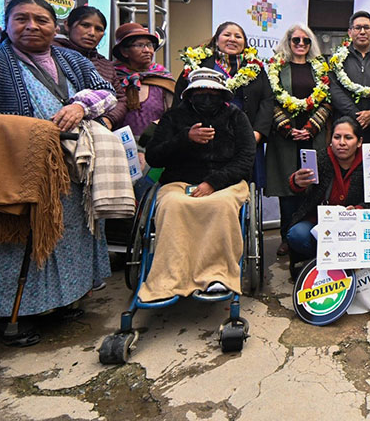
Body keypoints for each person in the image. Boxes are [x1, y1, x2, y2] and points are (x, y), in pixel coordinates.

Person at [0, 0, 116, 346]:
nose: (32, 26)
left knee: (70, 236)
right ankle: (11, 317)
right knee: (16, 239)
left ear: (56, 27)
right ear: (7, 24)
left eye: (41, 20)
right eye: (21, 19)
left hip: (69, 166)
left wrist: (80, 106)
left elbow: (107, 93)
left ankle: (65, 301)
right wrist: (18, 130)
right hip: (13, 164)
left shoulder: (72, 59)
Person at [140, 68, 256, 302]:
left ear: (222, 95)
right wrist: (184, 138)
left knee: (221, 206)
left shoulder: (236, 117)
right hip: (179, 181)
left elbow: (246, 158)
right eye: (201, 93)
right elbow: (154, 157)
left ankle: (217, 276)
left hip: (225, 183)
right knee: (172, 205)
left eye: (212, 93)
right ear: (190, 95)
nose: (207, 98)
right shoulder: (173, 117)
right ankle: (169, 279)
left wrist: (213, 182)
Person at [175, 22, 273, 187]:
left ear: (244, 43)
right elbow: (181, 98)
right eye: (227, 35)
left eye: (238, 36)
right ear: (216, 39)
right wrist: (188, 131)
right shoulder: (198, 64)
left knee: (242, 186)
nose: (232, 39)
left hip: (245, 136)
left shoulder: (256, 68)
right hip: (206, 138)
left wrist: (258, 132)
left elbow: (267, 100)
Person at [265, 24, 332, 257]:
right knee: (287, 188)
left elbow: (327, 101)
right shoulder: (276, 68)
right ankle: (287, 236)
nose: (301, 44)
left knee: (314, 183)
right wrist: (287, 128)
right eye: (296, 40)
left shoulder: (320, 69)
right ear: (288, 42)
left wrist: (311, 128)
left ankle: (313, 233)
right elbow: (270, 100)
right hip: (285, 138)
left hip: (313, 135)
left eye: (306, 41)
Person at [287, 116, 366, 276]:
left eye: (348, 137)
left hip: (355, 226)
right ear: (331, 140)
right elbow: (303, 193)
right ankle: (324, 261)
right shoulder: (319, 159)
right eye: (337, 137)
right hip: (320, 224)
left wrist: (359, 209)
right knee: (297, 234)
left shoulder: (369, 162)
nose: (341, 143)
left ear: (359, 142)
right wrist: (297, 182)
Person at [54, 6, 126, 129]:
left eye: (99, 29)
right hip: (59, 126)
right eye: (85, 25)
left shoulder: (106, 65)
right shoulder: (52, 54)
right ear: (67, 25)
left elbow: (121, 99)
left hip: (98, 131)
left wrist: (108, 120)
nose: (92, 33)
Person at [112, 22, 176, 140]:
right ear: (124, 51)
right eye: (140, 45)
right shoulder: (112, 77)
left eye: (149, 45)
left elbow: (174, 113)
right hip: (118, 144)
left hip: (155, 143)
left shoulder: (162, 76)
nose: (147, 50)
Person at [329, 11, 370, 143]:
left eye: (366, 28)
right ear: (350, 32)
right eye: (358, 28)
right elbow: (334, 90)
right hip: (345, 126)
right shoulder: (337, 59)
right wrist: (357, 115)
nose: (362, 32)